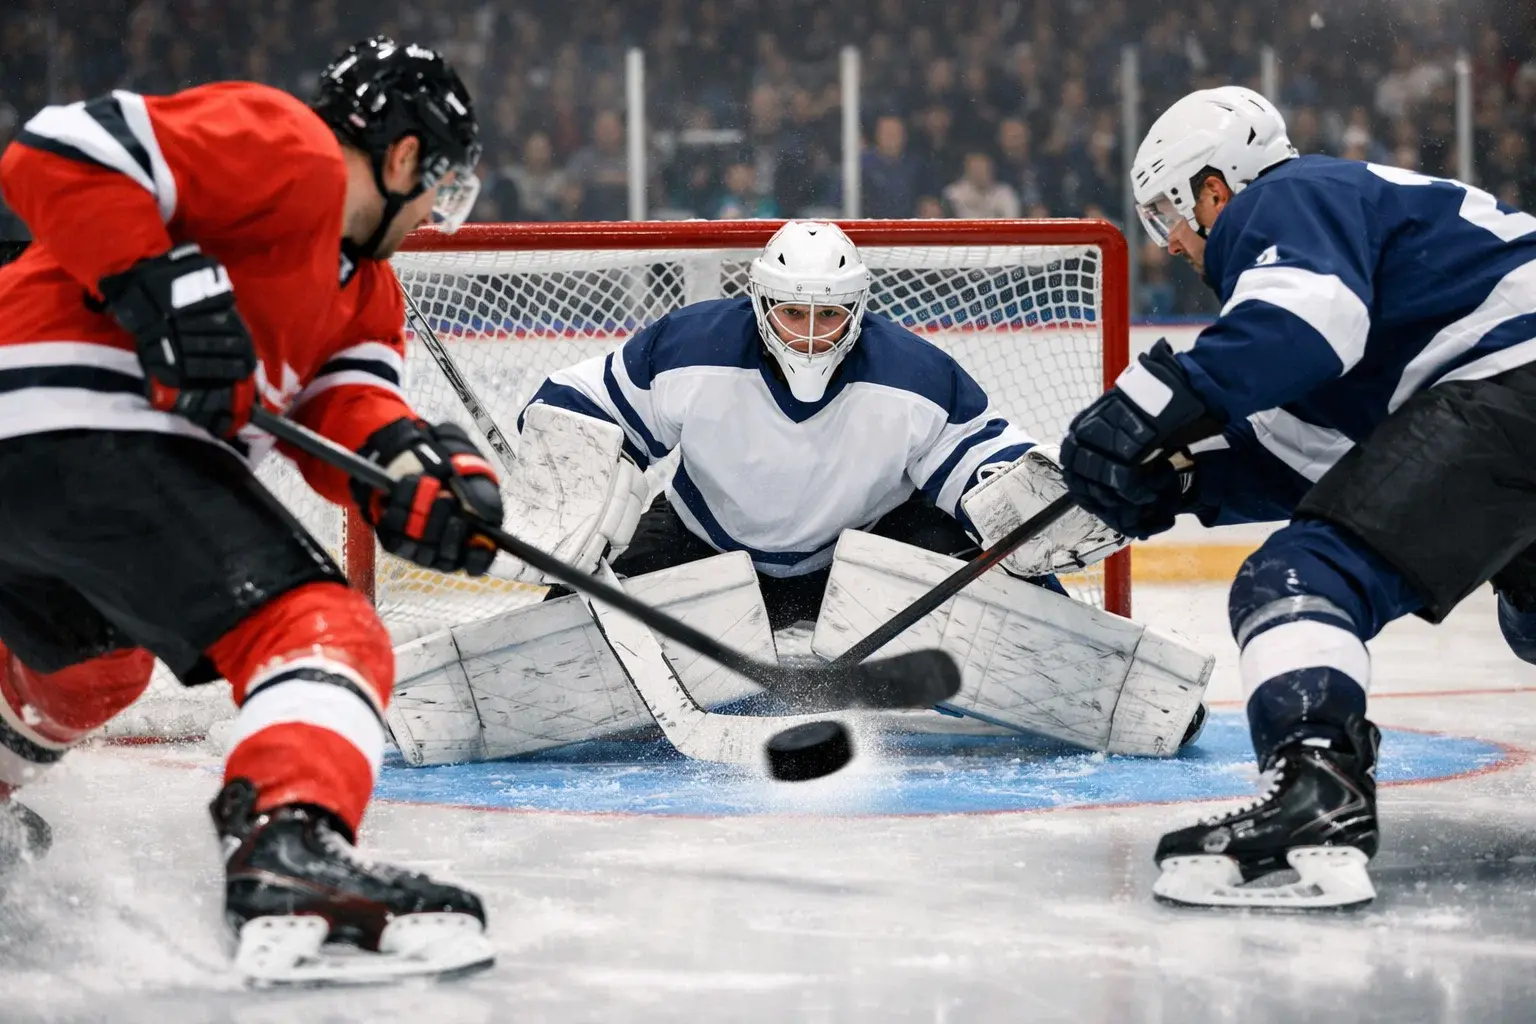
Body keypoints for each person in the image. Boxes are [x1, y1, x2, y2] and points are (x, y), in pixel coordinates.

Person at [0, 37, 504, 979]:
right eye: (439, 181)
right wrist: (162, 290)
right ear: (402, 159)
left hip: (42, 464)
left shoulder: (367, 292)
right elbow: (60, 148)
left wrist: (418, 475)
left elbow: (350, 409)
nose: (437, 208)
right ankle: (290, 850)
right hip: (73, 417)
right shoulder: (293, 149)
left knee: (96, 668)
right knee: (323, 630)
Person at [1058, 86, 1536, 908]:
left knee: (1296, 581)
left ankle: (1320, 799)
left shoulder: (1282, 198)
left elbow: (1301, 326)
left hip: (1513, 380)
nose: (1170, 244)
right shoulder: (1367, 235)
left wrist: (1149, 404)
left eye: (1167, 214)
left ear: (1214, 189)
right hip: (1508, 383)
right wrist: (1180, 483)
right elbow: (1311, 453)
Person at [525, 220, 1121, 633]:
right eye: (792, 313)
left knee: (992, 560)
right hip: (703, 541)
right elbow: (581, 401)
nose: (810, 334)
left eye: (829, 315)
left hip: (863, 553)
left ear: (857, 307)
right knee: (581, 602)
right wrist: (564, 453)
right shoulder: (690, 347)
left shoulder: (912, 375)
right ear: (761, 303)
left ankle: (1087, 661)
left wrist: (1046, 495)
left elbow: (983, 465)